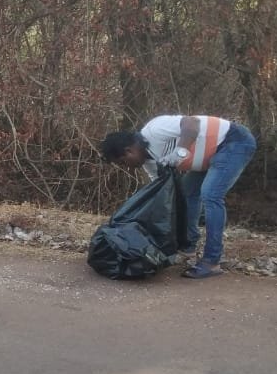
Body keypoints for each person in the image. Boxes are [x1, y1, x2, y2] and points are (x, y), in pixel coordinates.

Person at [101, 115, 256, 279]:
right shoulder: (150, 162)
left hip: (234, 141)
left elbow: (192, 123)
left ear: (129, 151)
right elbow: (167, 192)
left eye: (123, 163)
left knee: (211, 195)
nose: (128, 168)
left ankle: (212, 261)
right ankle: (188, 247)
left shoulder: (154, 130)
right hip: (209, 155)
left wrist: (181, 150)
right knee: (187, 192)